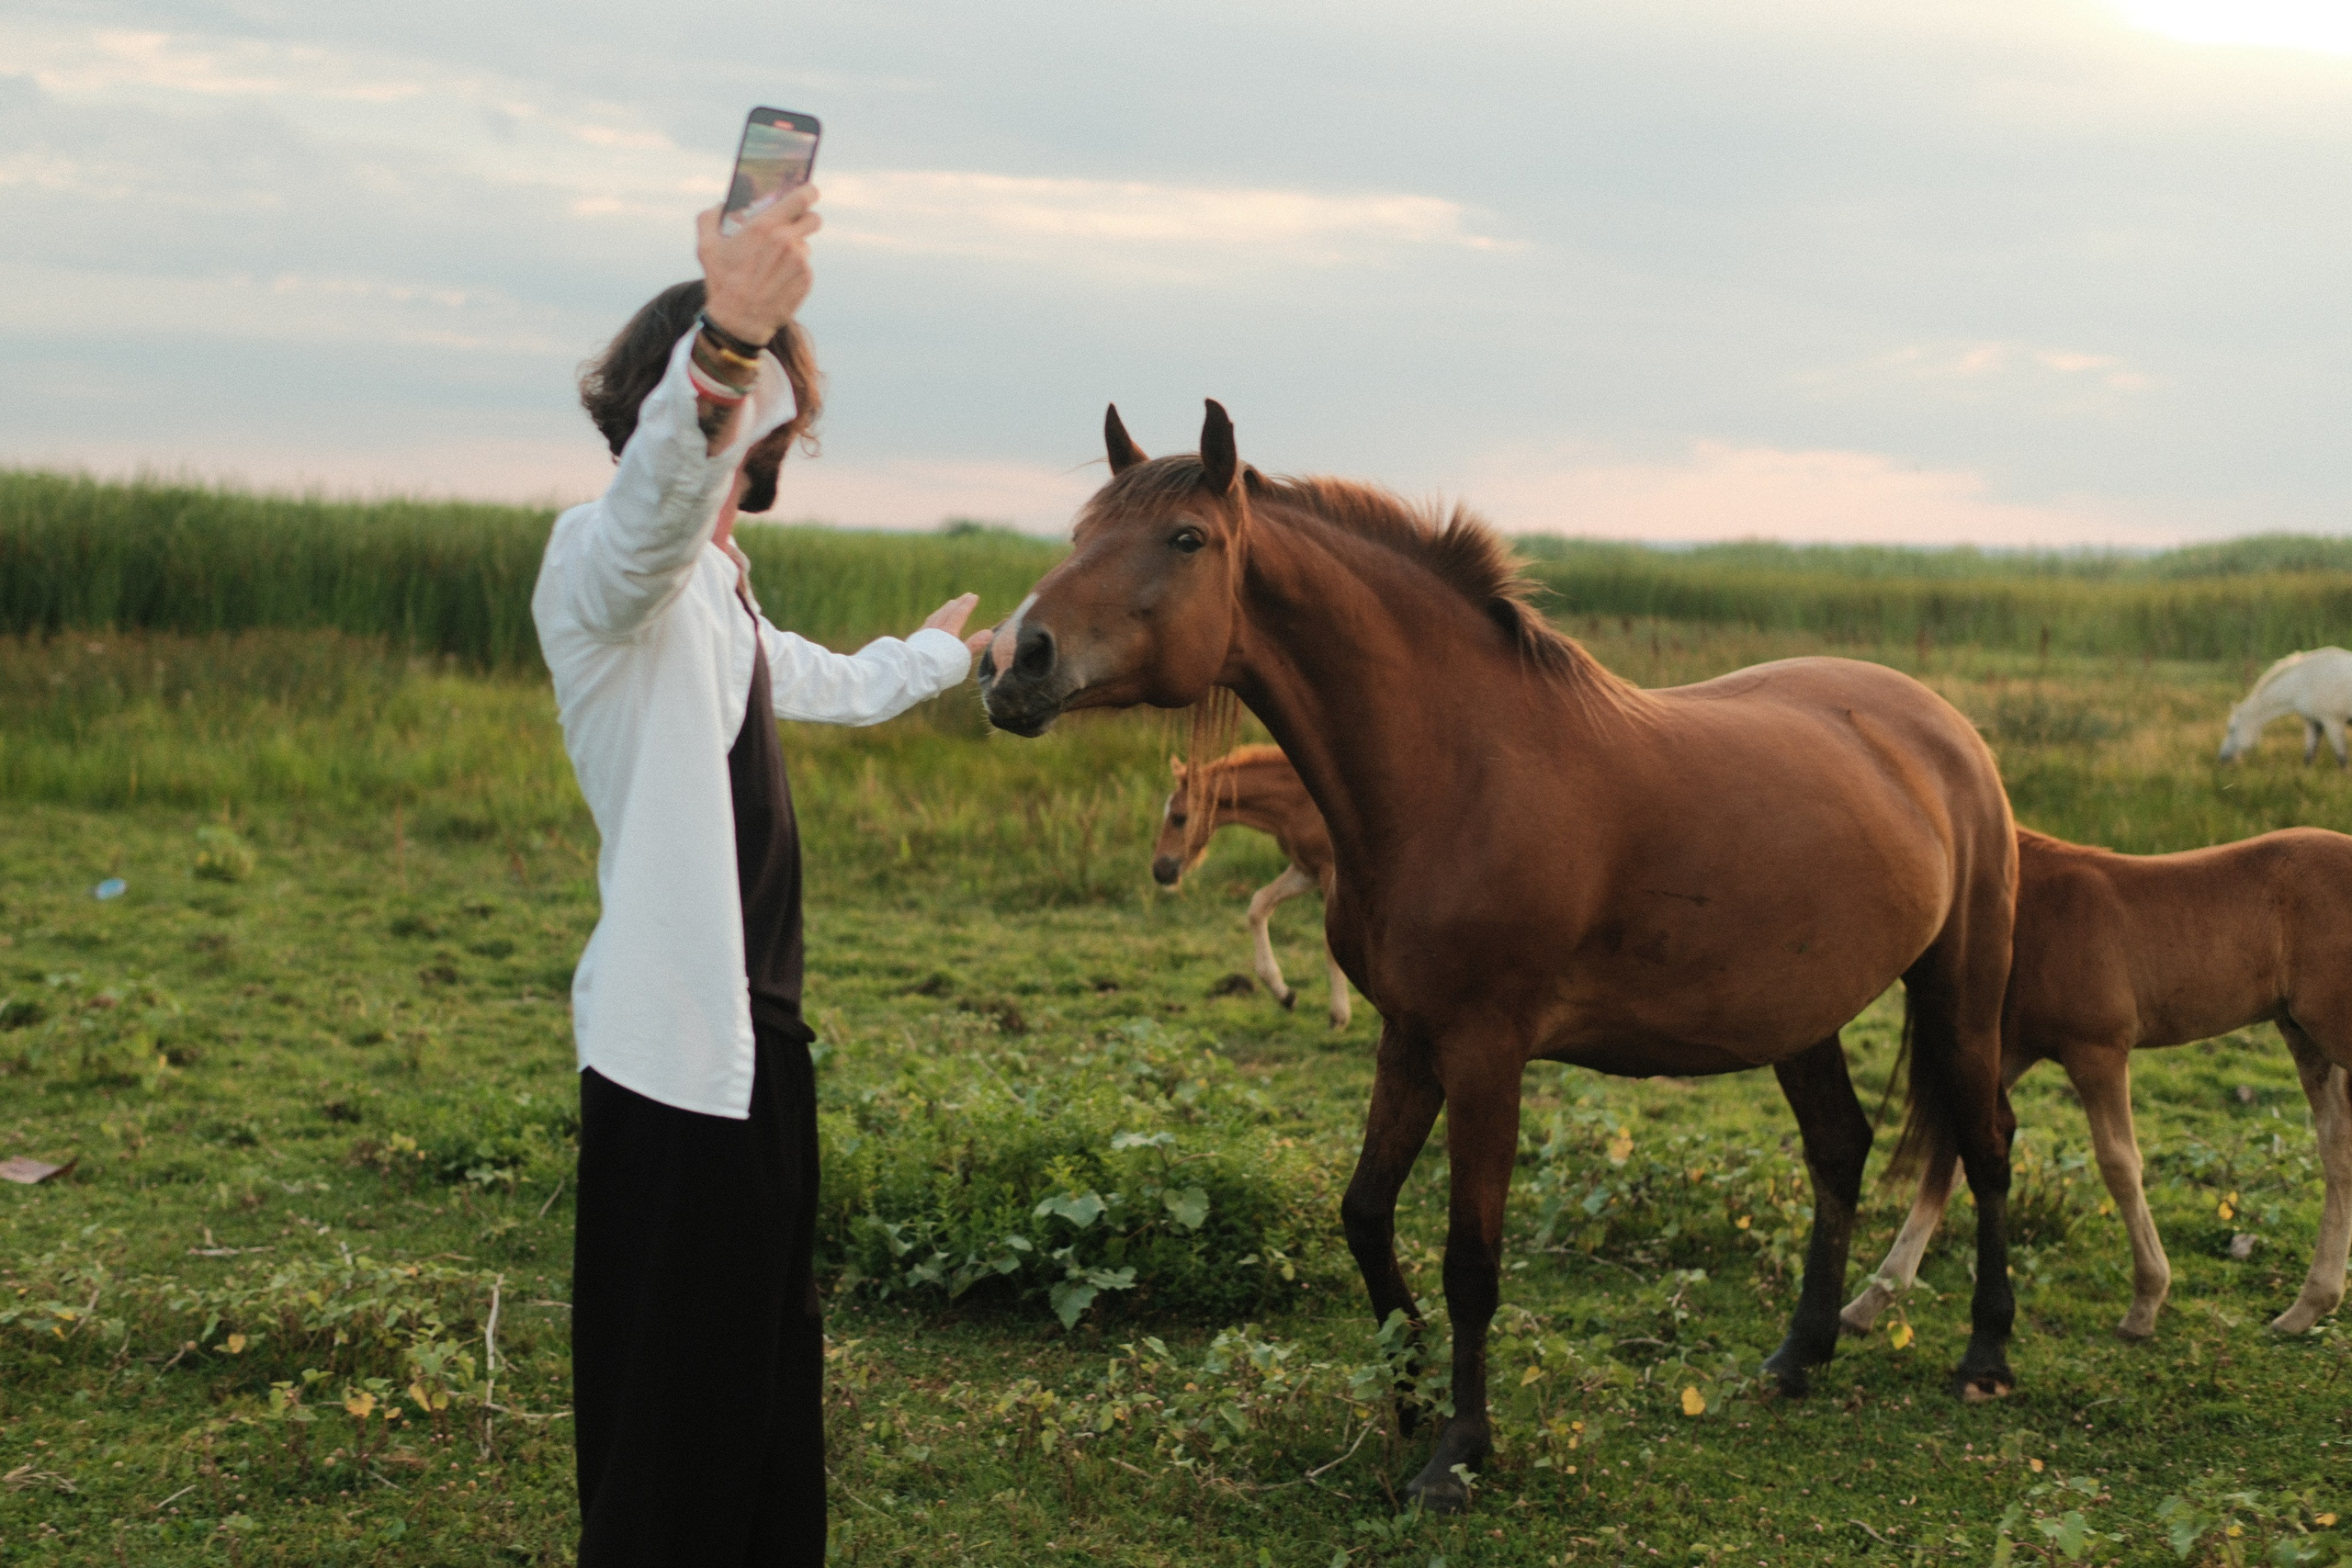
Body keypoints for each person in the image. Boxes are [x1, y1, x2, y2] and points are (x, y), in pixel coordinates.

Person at [532, 183, 989, 1566]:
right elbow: (656, 506)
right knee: (674, 1402)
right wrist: (729, 340)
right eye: (749, 439)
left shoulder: (718, 600)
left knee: (759, 1380)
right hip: (673, 1058)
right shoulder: (607, 569)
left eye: (772, 443)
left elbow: (825, 682)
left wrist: (943, 656)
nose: (755, 470)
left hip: (756, 1046)